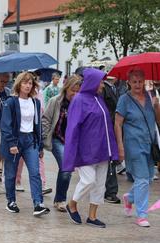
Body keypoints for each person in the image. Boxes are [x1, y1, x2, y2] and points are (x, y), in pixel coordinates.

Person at [63, 68, 118, 228]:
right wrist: (71, 152)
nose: (103, 84)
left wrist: (112, 149)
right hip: (85, 151)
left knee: (100, 184)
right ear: (93, 81)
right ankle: (72, 203)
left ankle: (92, 216)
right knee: (89, 180)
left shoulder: (99, 99)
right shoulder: (79, 99)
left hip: (102, 150)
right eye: (101, 81)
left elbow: (107, 126)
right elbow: (73, 127)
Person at [115, 68, 160, 227]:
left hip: (150, 143)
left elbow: (158, 121)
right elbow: (118, 123)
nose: (137, 85)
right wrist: (120, 146)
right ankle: (141, 215)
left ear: (144, 81)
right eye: (134, 82)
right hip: (133, 144)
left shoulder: (150, 96)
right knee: (141, 179)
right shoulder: (124, 99)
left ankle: (130, 198)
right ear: (129, 82)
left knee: (147, 179)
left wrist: (156, 107)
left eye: (140, 81)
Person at [0, 72, 50, 217]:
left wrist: (40, 145)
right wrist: (11, 143)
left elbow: (38, 124)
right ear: (19, 84)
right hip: (15, 140)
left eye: (30, 83)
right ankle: (11, 201)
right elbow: (5, 125)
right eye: (25, 83)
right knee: (11, 173)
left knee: (35, 172)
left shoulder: (36, 102)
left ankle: (38, 203)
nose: (28, 85)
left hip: (30, 141)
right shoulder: (11, 102)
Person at [42, 75, 81, 212]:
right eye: (72, 91)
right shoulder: (55, 101)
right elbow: (46, 119)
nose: (75, 94)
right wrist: (44, 138)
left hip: (71, 141)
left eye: (78, 91)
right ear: (66, 88)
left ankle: (59, 198)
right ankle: (60, 200)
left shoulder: (80, 104)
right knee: (66, 166)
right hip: (57, 138)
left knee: (66, 170)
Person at [101, 76, 121, 204]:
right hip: (107, 127)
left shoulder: (114, 88)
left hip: (111, 126)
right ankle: (110, 192)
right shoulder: (105, 89)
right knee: (109, 161)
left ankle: (110, 191)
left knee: (111, 161)